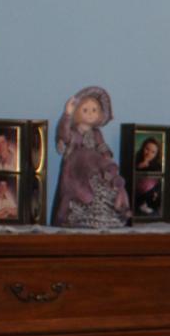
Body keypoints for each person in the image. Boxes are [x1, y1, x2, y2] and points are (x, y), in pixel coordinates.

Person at [50, 86, 132, 229]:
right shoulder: (74, 132)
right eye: (85, 110)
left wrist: (106, 159)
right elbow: (64, 135)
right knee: (78, 191)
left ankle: (102, 214)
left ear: (100, 114)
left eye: (94, 110)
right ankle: (74, 216)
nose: (90, 114)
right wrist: (67, 114)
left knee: (103, 188)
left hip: (95, 169)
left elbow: (102, 147)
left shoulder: (96, 133)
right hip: (76, 169)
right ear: (77, 112)